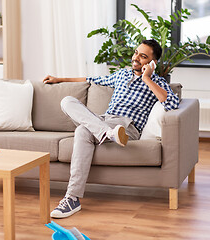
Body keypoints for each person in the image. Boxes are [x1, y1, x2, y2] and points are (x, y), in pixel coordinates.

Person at [43, 39, 180, 219]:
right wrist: (59, 79)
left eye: (143, 56)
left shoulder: (157, 82)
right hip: (104, 121)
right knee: (67, 101)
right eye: (136, 52)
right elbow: (90, 79)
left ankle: (71, 198)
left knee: (82, 131)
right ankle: (106, 134)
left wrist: (146, 78)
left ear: (152, 63)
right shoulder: (122, 74)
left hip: (126, 128)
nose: (136, 57)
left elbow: (172, 103)